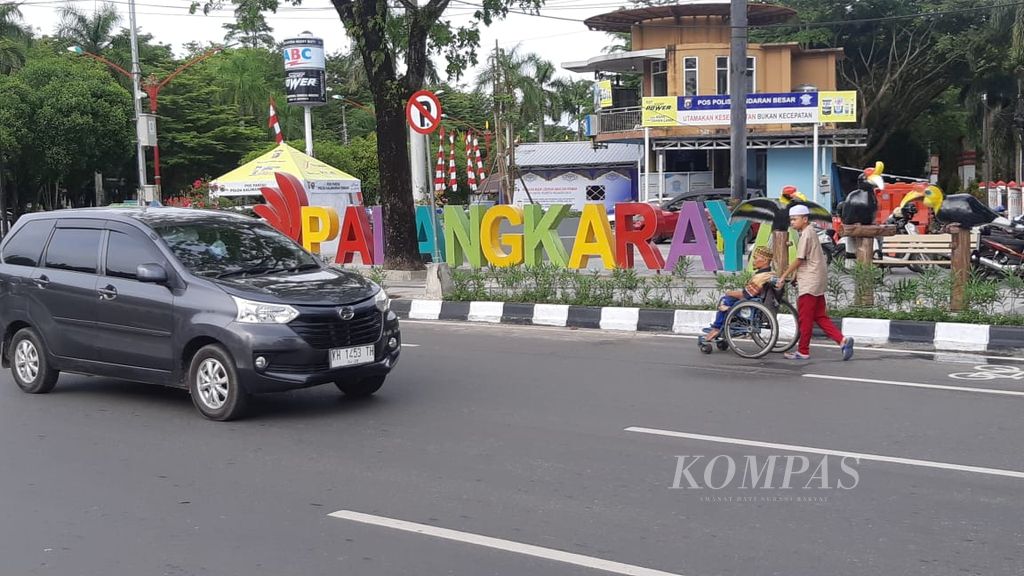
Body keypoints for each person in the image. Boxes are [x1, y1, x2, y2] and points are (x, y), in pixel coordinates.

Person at [777, 204, 854, 361]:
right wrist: (795, 276)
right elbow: (808, 259)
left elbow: (800, 259)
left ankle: (803, 351)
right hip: (817, 280)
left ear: (804, 219)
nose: (792, 222)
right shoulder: (810, 231)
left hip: (809, 283)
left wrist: (783, 275)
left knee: (805, 319)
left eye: (795, 219)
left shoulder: (806, 234)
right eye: (791, 219)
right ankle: (842, 340)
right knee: (819, 316)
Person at [702, 246, 776, 342]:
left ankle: (716, 328)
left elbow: (745, 295)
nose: (753, 261)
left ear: (765, 260)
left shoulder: (760, 277)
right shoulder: (770, 274)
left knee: (725, 299)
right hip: (757, 302)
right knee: (729, 298)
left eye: (756, 258)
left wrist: (729, 292)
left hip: (751, 304)